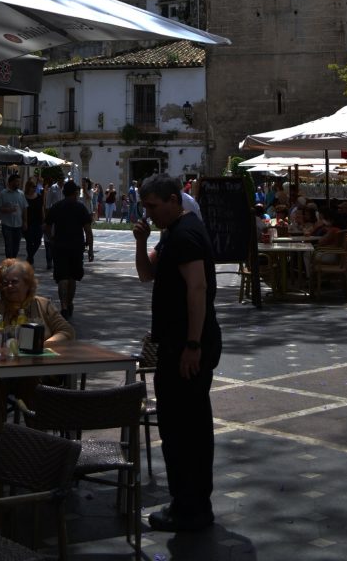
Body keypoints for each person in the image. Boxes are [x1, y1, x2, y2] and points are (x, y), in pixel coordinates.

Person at [133, 173, 221, 533]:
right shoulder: (172, 234)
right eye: (146, 207)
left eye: (153, 206)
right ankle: (188, 502)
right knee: (181, 425)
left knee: (185, 428)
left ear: (173, 200)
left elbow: (197, 289)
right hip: (176, 345)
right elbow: (146, 274)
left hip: (187, 347)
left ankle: (191, 506)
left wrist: (192, 344)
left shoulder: (186, 234)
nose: (149, 213)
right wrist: (142, 242)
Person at [0, 258, 74, 348]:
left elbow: (66, 331)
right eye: (5, 283)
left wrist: (43, 345)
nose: (9, 286)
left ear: (28, 284)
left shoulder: (44, 305)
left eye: (14, 282)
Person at [45, 180, 90, 318]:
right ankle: (69, 303)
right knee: (72, 277)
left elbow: (46, 225)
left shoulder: (56, 207)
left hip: (59, 246)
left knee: (62, 277)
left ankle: (63, 305)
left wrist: (51, 238)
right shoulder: (81, 208)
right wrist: (91, 249)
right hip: (76, 246)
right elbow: (88, 230)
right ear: (75, 193)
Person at [0, 171, 27, 258]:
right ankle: (9, 262)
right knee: (8, 245)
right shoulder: (3, 193)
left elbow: (25, 208)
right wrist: (8, 210)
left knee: (16, 246)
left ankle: (13, 260)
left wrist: (25, 222)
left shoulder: (21, 194)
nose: (18, 183)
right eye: (16, 181)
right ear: (11, 182)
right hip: (7, 224)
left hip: (18, 224)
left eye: (19, 181)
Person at [23, 179, 45, 267]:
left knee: (38, 241)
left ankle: (30, 256)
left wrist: (44, 220)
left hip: (38, 222)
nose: (33, 189)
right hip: (28, 222)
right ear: (27, 187)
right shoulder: (24, 197)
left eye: (34, 187)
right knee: (29, 241)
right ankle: (30, 258)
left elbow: (42, 209)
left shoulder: (39, 197)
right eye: (32, 187)